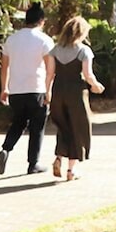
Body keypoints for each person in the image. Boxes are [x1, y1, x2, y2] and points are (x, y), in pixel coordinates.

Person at [0, 2, 55, 175]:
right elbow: (50, 69)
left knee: (18, 123)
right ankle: (33, 163)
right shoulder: (44, 40)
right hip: (37, 89)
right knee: (37, 127)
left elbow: (4, 67)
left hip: (16, 91)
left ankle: (6, 148)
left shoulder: (12, 40)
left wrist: (4, 88)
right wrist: (49, 90)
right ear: (42, 21)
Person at [48, 17, 105, 181]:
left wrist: (47, 92)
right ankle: (71, 170)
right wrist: (96, 85)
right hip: (76, 93)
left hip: (58, 91)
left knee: (63, 127)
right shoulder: (84, 51)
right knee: (78, 128)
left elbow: (50, 74)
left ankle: (59, 157)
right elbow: (88, 75)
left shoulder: (55, 50)